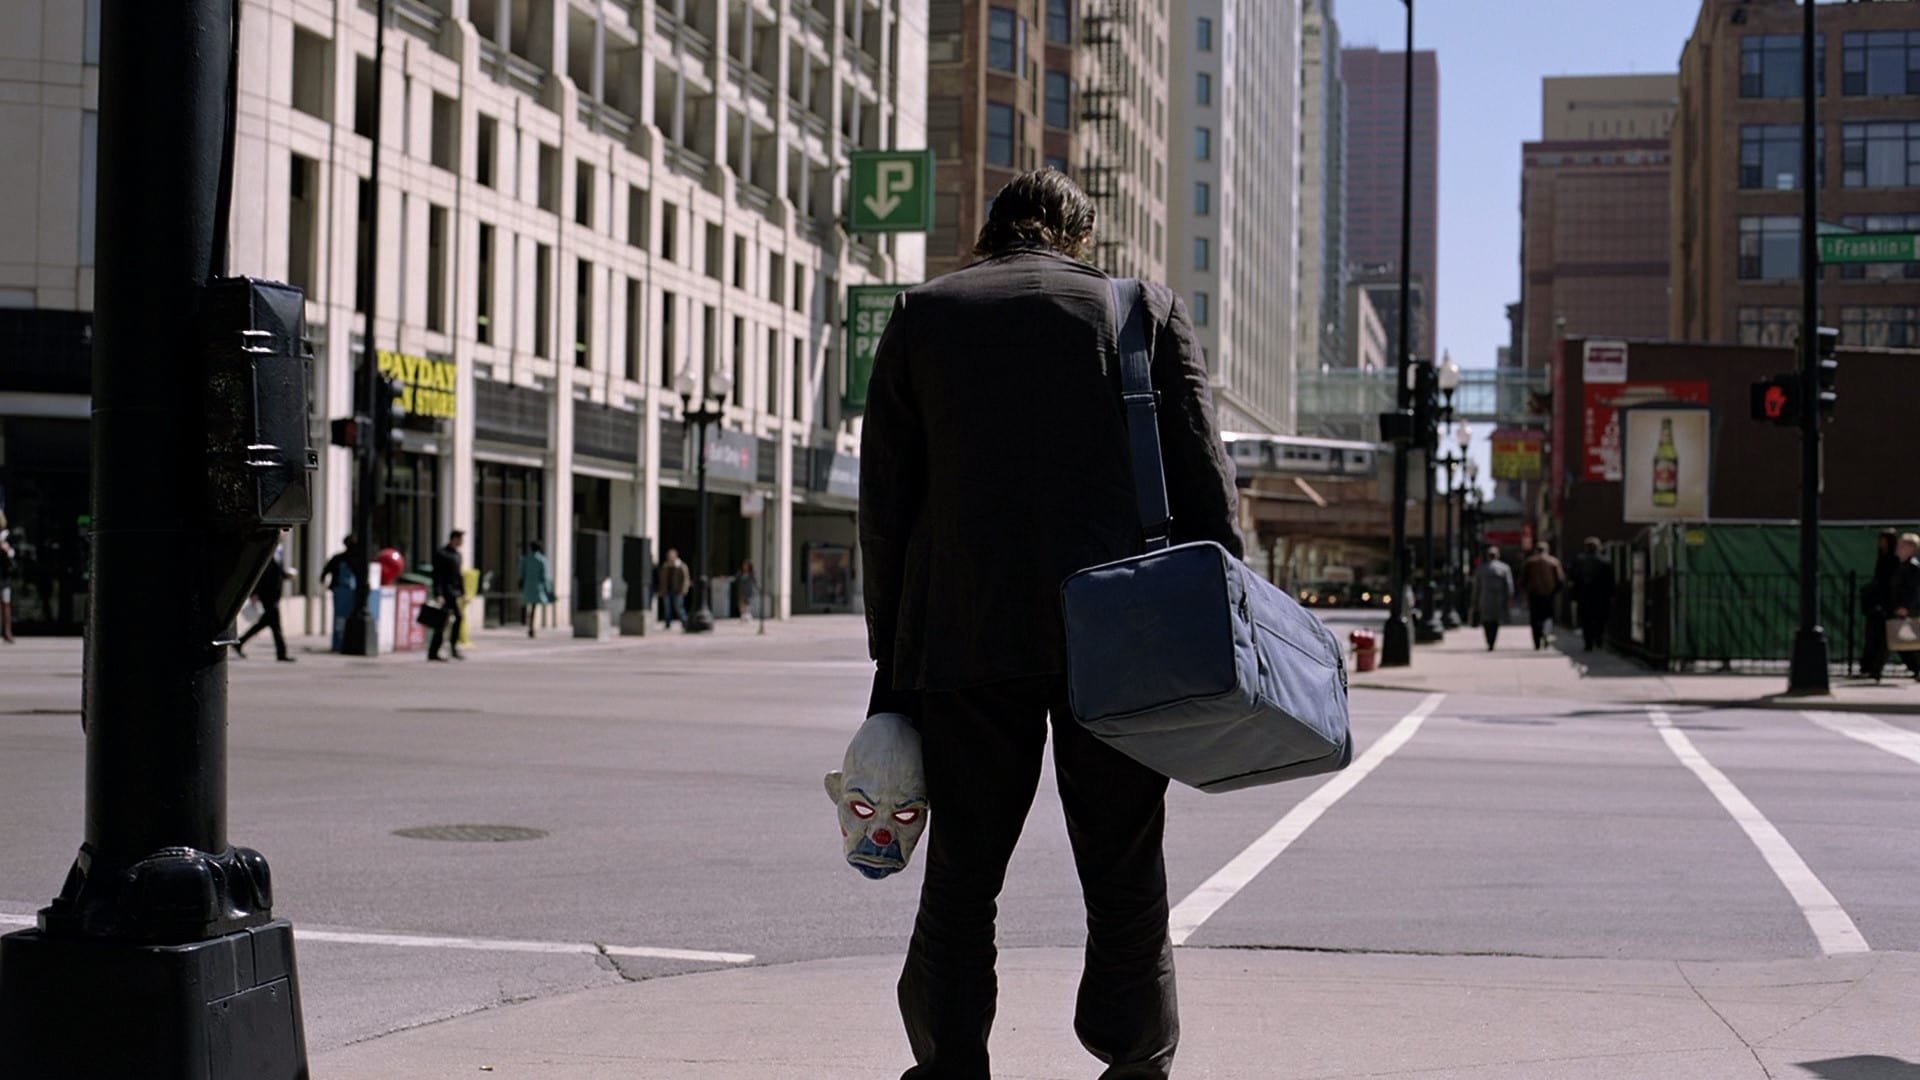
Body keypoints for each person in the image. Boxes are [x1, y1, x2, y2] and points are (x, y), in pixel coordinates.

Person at [861, 168, 1241, 1079]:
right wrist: (1219, 635)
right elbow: (1206, 489)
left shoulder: (923, 314)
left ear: (990, 231)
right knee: (1124, 868)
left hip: (966, 633)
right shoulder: (1141, 312)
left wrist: (892, 669)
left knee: (964, 873)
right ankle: (1134, 1056)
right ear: (1080, 236)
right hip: (1122, 635)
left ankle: (951, 1062)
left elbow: (887, 510)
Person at [235, 544, 295, 662]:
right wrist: (254, 593)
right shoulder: (266, 551)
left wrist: (286, 576)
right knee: (275, 625)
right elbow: (260, 574)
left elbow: (276, 573)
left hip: (274, 595)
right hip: (267, 595)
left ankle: (240, 642)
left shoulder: (279, 552)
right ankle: (281, 653)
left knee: (266, 623)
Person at [1568, 537, 1614, 653]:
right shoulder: (1605, 561)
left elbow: (1573, 578)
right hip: (1601, 596)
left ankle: (1588, 642)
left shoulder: (1579, 561)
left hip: (1584, 596)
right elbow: (1610, 581)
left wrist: (1574, 595)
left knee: (1586, 620)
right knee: (1600, 619)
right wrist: (1611, 595)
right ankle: (1598, 640)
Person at [1886, 532, 1920, 683]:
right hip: (1902, 608)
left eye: (1902, 546)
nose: (1898, 548)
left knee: (1912, 641)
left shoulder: (1913, 567)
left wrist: (1906, 607)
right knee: (1903, 641)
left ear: (1912, 549)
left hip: (1911, 610)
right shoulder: (1900, 565)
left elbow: (1916, 591)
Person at [428, 530, 466, 661]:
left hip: (454, 592)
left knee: (454, 619)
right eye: (460, 539)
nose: (462, 542)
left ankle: (451, 648)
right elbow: (437, 575)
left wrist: (463, 591)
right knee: (443, 621)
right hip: (445, 592)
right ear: (454, 539)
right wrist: (438, 593)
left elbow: (459, 575)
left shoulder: (457, 555)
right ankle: (435, 651)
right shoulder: (442, 554)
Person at [1521, 542, 1566, 650]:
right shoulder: (1554, 562)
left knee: (1535, 618)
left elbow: (1523, 580)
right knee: (1548, 616)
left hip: (1534, 594)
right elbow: (1560, 580)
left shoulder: (1530, 562)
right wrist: (1555, 591)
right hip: (1548, 594)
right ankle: (1546, 634)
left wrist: (1527, 590)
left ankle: (1537, 641)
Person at [1471, 546, 1516, 651]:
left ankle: (1489, 641)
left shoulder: (1481, 568)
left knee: (1486, 620)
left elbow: (1476, 587)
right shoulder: (1505, 568)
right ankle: (1492, 641)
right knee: (1495, 620)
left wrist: (1475, 601)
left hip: (1484, 598)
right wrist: (1509, 598)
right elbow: (1509, 585)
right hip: (1498, 599)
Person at [518, 540, 554, 638]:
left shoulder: (526, 559)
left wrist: (521, 584)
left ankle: (530, 625)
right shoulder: (542, 560)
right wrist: (548, 588)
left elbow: (521, 573)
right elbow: (545, 576)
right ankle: (531, 627)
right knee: (534, 606)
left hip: (528, 586)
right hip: (537, 587)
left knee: (530, 606)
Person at [659, 548, 691, 629]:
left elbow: (686, 579)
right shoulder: (665, 566)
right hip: (667, 590)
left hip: (678, 591)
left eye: (671, 556)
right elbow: (662, 580)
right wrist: (661, 590)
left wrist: (684, 590)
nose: (670, 557)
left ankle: (685, 622)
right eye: (669, 556)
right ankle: (667, 623)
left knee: (679, 607)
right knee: (667, 608)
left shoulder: (681, 566)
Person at [0, 522, 15, 644]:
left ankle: (7, 632)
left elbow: (13, 553)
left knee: (6, 603)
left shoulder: (8, 536)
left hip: (4, 577)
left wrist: (7, 549)